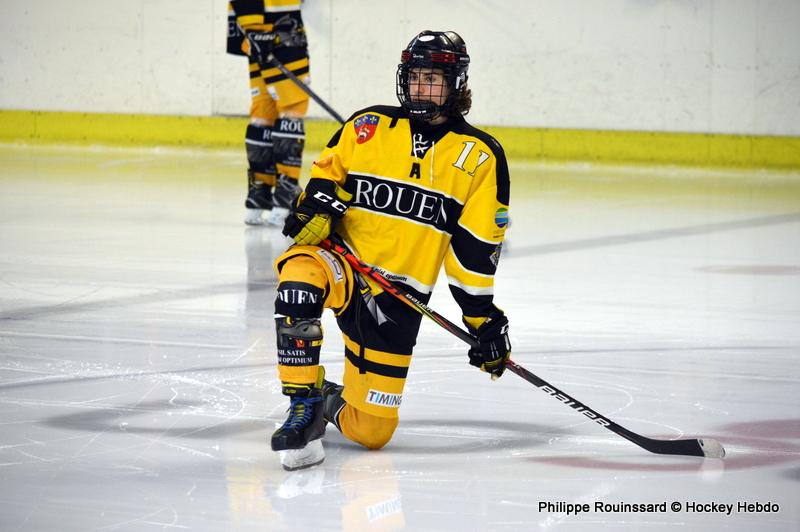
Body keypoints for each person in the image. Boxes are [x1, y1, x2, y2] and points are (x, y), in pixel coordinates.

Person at [269, 30, 512, 471]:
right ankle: (301, 405)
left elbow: (473, 254)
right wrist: (313, 206)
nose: (421, 88)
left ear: (456, 83)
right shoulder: (368, 127)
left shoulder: (480, 157)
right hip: (340, 263)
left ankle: (325, 398)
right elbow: (326, 174)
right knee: (297, 286)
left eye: (433, 78)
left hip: (397, 298)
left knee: (372, 431)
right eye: (415, 77)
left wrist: (484, 323)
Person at [227, 0, 309, 226]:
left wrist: (252, 29)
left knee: (263, 110)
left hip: (254, 26)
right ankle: (285, 193)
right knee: (293, 107)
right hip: (281, 26)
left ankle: (259, 193)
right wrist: (256, 30)